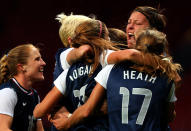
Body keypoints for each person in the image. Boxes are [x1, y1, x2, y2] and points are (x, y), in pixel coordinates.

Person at [50, 29, 182, 131]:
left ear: (137, 47)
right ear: (162, 51)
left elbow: (88, 110)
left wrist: (67, 122)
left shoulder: (111, 70)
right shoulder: (166, 78)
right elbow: (169, 116)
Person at [0, 44, 46, 131]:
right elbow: (2, 128)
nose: (44, 63)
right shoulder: (8, 93)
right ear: (21, 67)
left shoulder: (35, 96)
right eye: (37, 59)